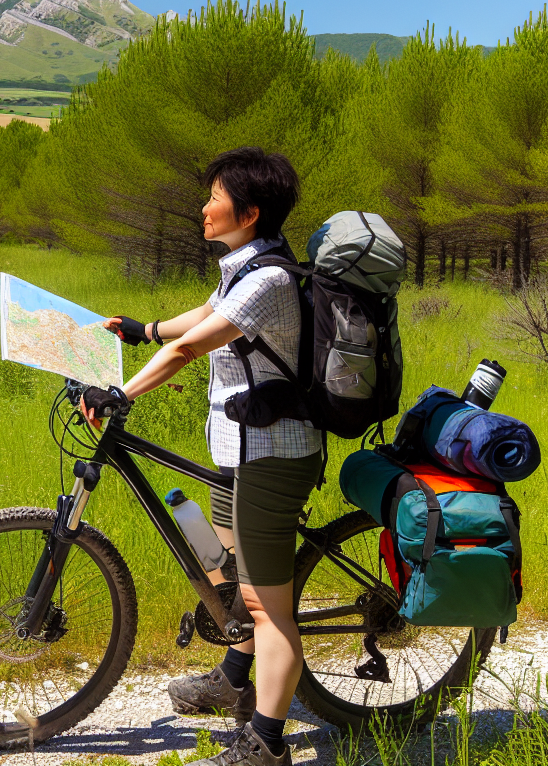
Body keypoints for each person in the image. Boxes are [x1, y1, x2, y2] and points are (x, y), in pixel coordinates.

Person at [81, 147, 320, 766]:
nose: (204, 206)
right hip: (238, 447)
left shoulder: (268, 281)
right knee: (230, 572)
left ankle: (265, 743)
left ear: (249, 212)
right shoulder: (244, 268)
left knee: (267, 607)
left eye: (215, 197)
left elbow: (193, 347)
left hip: (272, 455)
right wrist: (144, 329)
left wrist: (121, 392)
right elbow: (204, 316)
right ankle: (233, 680)